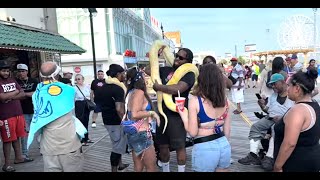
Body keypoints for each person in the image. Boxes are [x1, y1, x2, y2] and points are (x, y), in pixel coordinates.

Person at [28, 62, 84, 172]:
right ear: (57, 74)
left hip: (48, 147)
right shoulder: (69, 90)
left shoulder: (36, 94)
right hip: (69, 144)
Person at [177, 64, 231, 172]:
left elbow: (193, 132)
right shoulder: (226, 101)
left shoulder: (195, 101)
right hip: (224, 145)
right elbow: (227, 131)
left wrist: (183, 114)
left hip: (205, 147)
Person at [151, 48, 196, 172]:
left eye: (181, 58)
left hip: (177, 114)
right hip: (162, 113)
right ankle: (166, 169)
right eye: (176, 56)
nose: (177, 58)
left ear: (188, 61)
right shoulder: (166, 69)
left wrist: (159, 87)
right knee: (162, 146)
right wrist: (156, 56)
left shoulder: (189, 73)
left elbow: (178, 89)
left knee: (179, 146)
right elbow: (150, 70)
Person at [238, 73, 294, 171]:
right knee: (255, 127)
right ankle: (253, 154)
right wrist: (262, 106)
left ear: (282, 82)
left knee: (274, 128)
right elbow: (269, 111)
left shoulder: (291, 95)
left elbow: (296, 112)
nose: (272, 86)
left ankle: (270, 157)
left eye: (274, 84)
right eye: (271, 84)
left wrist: (283, 118)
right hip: (270, 118)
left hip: (285, 121)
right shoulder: (273, 96)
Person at [273, 69, 320, 172]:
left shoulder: (297, 110)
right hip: (312, 160)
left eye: (289, 85)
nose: (287, 89)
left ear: (297, 88)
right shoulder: (315, 105)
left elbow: (290, 143)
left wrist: (277, 166)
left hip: (295, 163)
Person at [123, 67, 160, 172]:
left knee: (138, 167)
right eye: (144, 75)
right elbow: (134, 114)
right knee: (151, 167)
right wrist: (152, 113)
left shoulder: (131, 92)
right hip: (142, 134)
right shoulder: (139, 92)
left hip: (133, 133)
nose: (146, 78)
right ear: (140, 78)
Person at [0, 60, 32, 172]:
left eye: (7, 71)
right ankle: (6, 164)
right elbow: (2, 97)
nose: (6, 73)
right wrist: (15, 93)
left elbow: (22, 94)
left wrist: (9, 96)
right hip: (5, 115)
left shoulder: (12, 80)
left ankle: (19, 158)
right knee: (7, 140)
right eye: (3, 70)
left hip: (18, 113)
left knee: (17, 137)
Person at [100, 64, 129, 172]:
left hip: (107, 118)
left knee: (119, 144)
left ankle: (120, 164)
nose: (124, 76)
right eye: (123, 73)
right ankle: (114, 170)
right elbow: (119, 109)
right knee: (117, 147)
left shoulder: (104, 86)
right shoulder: (118, 89)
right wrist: (126, 121)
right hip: (115, 121)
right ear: (118, 74)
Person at [15, 64, 39, 160]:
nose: (21, 73)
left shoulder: (34, 81)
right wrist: (27, 94)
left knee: (38, 131)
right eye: (19, 71)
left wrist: (23, 94)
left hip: (34, 110)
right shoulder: (16, 82)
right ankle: (25, 153)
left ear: (27, 71)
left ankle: (42, 149)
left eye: (23, 71)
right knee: (24, 133)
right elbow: (15, 94)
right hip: (22, 111)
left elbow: (36, 93)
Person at [74, 74, 93, 146]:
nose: (78, 80)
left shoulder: (87, 86)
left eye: (79, 79)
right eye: (77, 79)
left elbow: (90, 95)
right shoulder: (74, 88)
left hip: (86, 104)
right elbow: (73, 98)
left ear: (83, 79)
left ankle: (86, 137)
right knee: (80, 121)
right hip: (79, 104)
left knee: (86, 120)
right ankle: (81, 139)